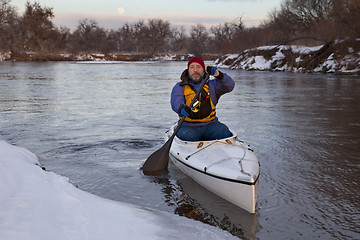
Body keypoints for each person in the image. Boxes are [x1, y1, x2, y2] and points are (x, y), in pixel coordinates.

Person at [170, 57, 235, 141]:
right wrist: (180, 108)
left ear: (204, 70)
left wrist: (220, 75)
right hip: (188, 126)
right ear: (188, 70)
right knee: (188, 136)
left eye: (198, 67)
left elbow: (230, 86)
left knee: (224, 132)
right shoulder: (180, 87)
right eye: (192, 67)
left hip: (211, 125)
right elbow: (176, 101)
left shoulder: (213, 85)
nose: (195, 70)